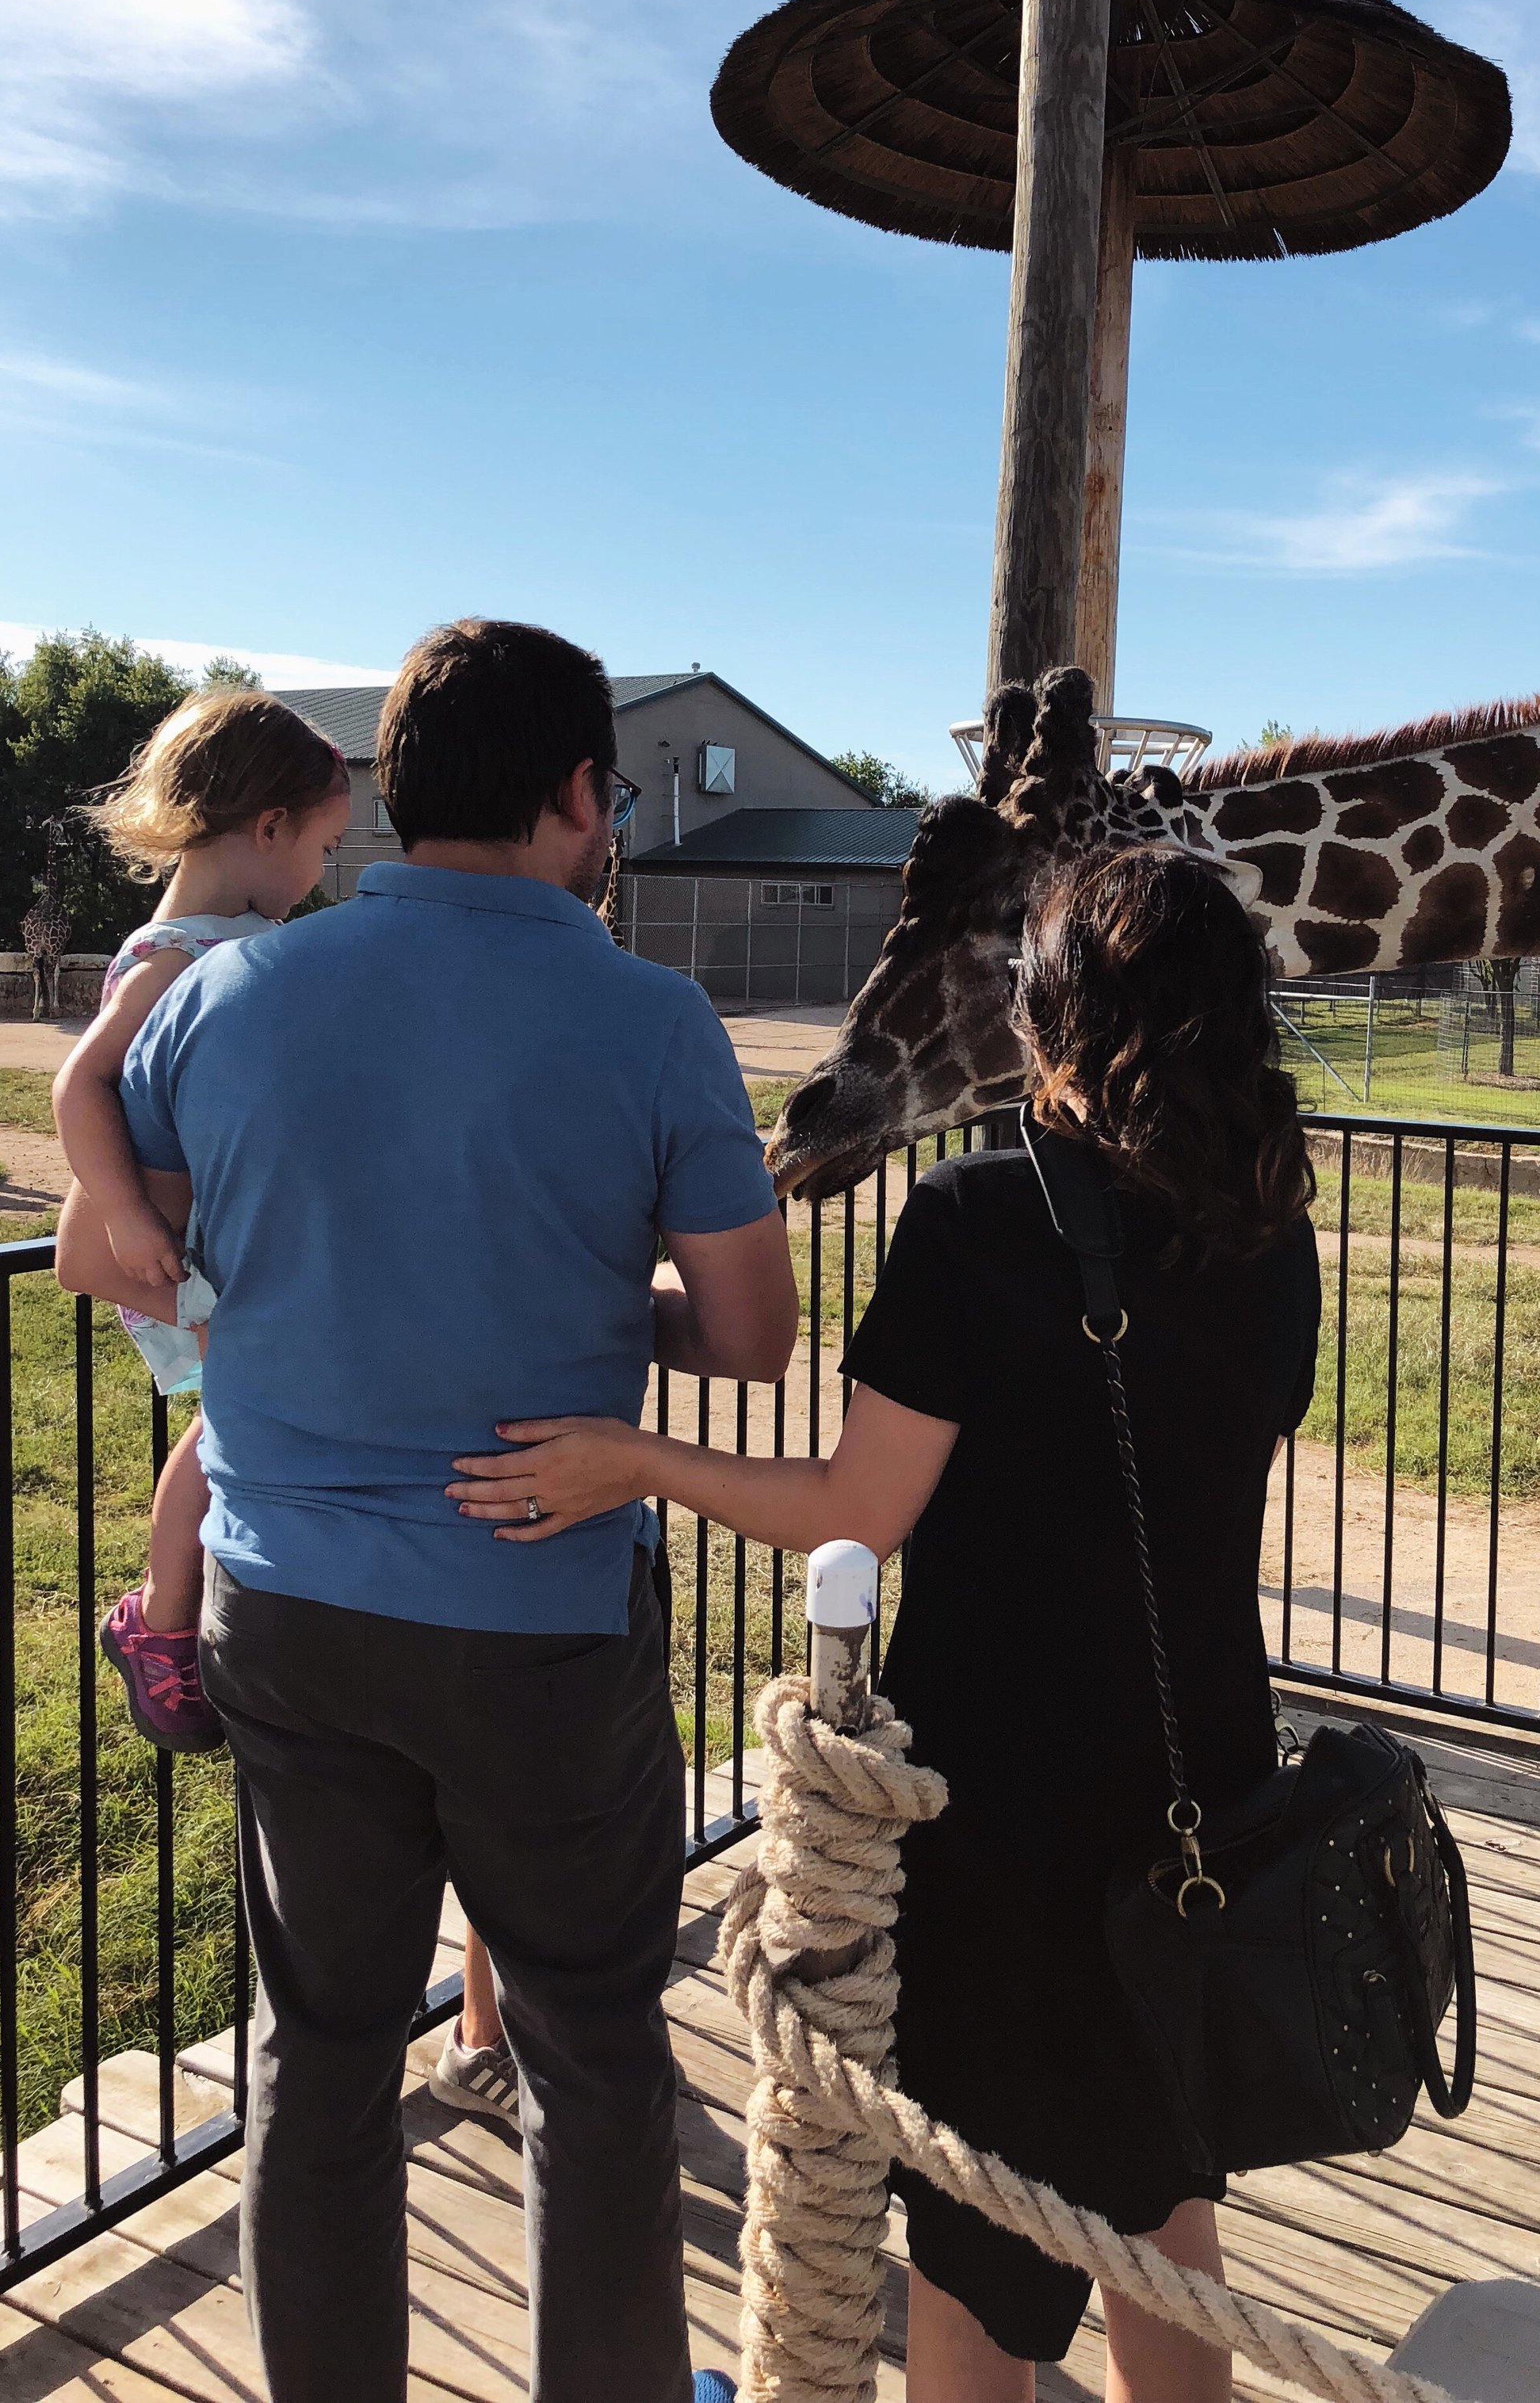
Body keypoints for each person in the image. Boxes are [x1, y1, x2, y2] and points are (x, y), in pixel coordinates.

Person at [449, 845, 1322, 2403]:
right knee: (1157, 2177)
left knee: (983, 2213)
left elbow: (854, 1504)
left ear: (1055, 1011)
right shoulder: (1270, 1220)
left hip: (998, 1799)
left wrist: (633, 1457)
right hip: (1205, 1760)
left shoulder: (980, 1218)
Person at [57, 618, 795, 2403]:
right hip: (538, 1614)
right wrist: (567, 1293)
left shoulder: (231, 992)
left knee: (317, 2058)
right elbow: (756, 1334)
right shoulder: (649, 1013)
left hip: (285, 1607)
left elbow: (119, 1248)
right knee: (590, 2054)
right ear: (571, 794)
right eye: (607, 790)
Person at [52, 688, 350, 1751]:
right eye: (322, 844)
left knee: (230, 1424)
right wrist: (130, 1217)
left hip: (198, 1244)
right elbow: (78, 1088)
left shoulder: (230, 942)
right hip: (169, 1254)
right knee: (225, 1429)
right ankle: (160, 1619)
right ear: (268, 828)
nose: (324, 872)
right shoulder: (179, 952)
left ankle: (176, 1610)